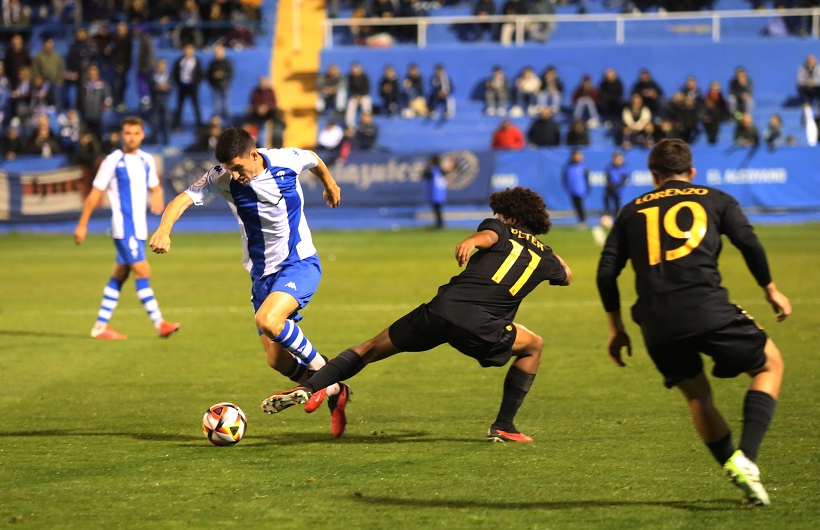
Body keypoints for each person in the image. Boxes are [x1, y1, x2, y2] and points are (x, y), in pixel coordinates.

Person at [261, 186, 572, 443]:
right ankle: (504, 425)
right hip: (483, 327)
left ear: (512, 218)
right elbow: (567, 275)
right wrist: (549, 253)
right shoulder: (546, 258)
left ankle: (311, 386)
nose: (496, 218)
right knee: (533, 345)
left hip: (440, 311)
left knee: (368, 349)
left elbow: (488, 235)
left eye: (500, 214)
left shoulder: (499, 228)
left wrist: (470, 241)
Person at [596, 139, 789, 507]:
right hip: (708, 309)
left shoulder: (631, 210)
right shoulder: (716, 198)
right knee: (770, 364)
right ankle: (746, 457)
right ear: (692, 171)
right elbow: (748, 242)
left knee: (698, 396)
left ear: (654, 175)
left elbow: (606, 274)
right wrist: (771, 290)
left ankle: (735, 469)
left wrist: (616, 328)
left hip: (656, 324)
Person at [148, 127, 350, 438]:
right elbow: (182, 200)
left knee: (268, 320)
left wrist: (331, 184)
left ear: (254, 155)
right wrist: (164, 229)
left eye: (238, 167)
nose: (235, 175)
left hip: (299, 263)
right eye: (230, 169)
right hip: (262, 276)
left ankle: (323, 377)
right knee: (276, 359)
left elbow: (313, 159)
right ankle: (336, 390)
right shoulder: (221, 177)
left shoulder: (286, 160)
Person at [74, 117, 180, 341]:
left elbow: (155, 186)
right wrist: (82, 224)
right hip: (124, 228)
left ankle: (100, 326)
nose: (131, 137)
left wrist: (158, 196)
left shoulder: (146, 160)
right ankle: (160, 323)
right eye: (127, 133)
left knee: (119, 275)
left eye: (136, 133)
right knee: (143, 271)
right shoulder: (112, 161)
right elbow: (95, 194)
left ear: (142, 135)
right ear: (122, 135)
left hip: (139, 228)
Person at [562, 149, 589, 227]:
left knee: (580, 205)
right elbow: (565, 177)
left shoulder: (583, 166)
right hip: (572, 189)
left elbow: (586, 178)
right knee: (576, 205)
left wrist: (586, 187)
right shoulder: (568, 166)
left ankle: (583, 220)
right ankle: (581, 220)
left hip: (580, 189)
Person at [424, 154, 447, 229]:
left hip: (435, 194)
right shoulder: (439, 170)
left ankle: (439, 225)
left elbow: (424, 175)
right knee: (438, 210)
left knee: (437, 210)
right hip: (440, 193)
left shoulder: (432, 170)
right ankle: (439, 224)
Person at [603, 151, 628, 216]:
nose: (619, 161)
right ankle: (608, 216)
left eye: (620, 159)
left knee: (617, 205)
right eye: (617, 159)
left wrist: (617, 187)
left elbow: (623, 180)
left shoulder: (624, 169)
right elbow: (608, 178)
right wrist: (612, 187)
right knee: (606, 201)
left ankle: (616, 219)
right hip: (610, 189)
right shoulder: (609, 168)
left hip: (618, 191)